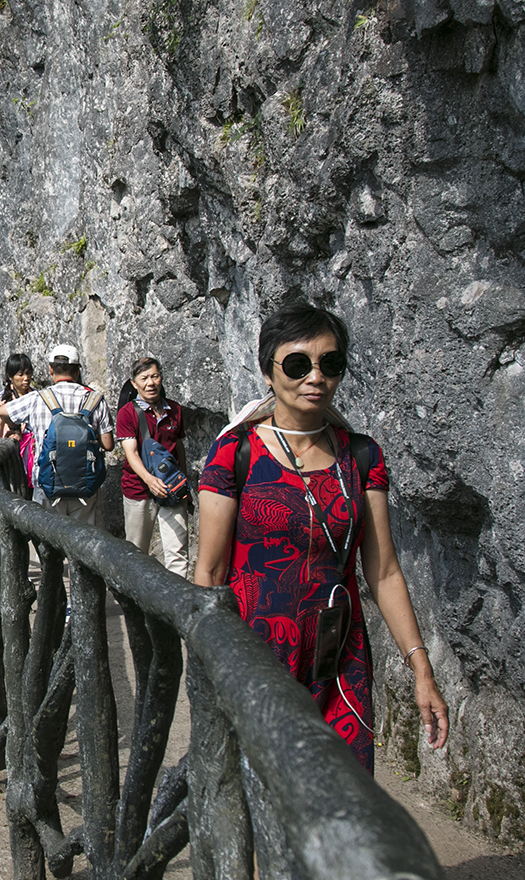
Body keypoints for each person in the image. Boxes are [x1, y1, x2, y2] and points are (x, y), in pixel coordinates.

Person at [193, 302, 449, 771]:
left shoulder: (361, 456)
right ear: (268, 372)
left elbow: (384, 570)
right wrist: (209, 665)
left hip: (339, 660)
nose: (315, 377)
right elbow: (208, 570)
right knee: (263, 804)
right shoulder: (236, 453)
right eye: (297, 364)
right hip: (255, 656)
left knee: (340, 798)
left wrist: (421, 667)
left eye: (329, 363)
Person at [0, 343, 114, 524]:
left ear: (51, 370)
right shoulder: (95, 399)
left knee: (45, 541)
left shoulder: (37, 398)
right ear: (77, 371)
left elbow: (3, 411)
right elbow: (108, 444)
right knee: (83, 543)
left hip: (47, 483)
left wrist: (15, 426)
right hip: (84, 484)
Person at [117, 357, 190, 575]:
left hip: (172, 488)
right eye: (144, 378)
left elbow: (179, 448)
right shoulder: (127, 413)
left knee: (178, 551)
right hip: (138, 489)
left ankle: (176, 606)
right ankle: (136, 605)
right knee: (136, 552)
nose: (151, 383)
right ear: (134, 382)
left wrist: (183, 482)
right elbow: (131, 453)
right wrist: (150, 480)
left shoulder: (175, 410)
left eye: (155, 376)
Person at [0, 352, 37, 491]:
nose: (26, 378)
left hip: (32, 459)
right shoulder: (1, 399)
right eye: (20, 374)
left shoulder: (36, 397)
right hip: (10, 460)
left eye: (28, 373)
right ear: (10, 377)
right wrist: (1, 420)